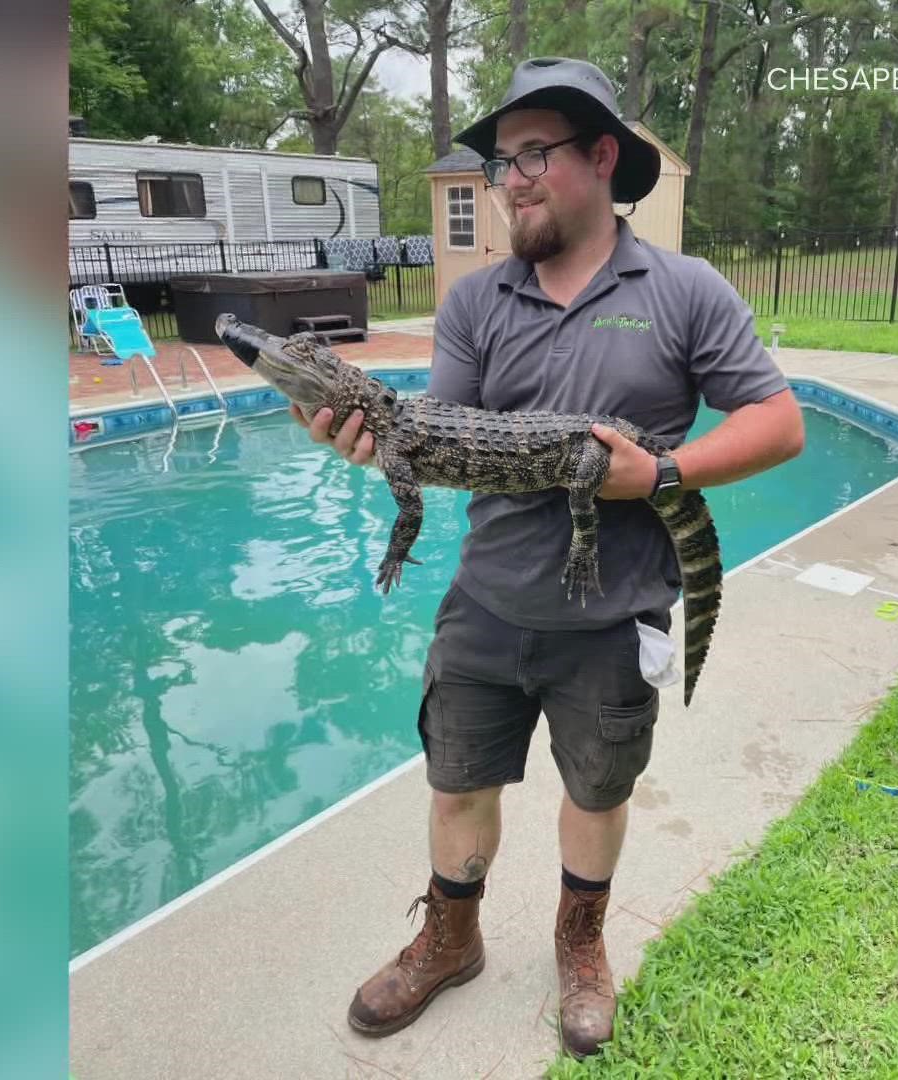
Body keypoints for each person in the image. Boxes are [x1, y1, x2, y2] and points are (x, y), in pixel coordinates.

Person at [291, 57, 804, 1059]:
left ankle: (581, 946)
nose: (510, 179)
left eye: (533, 154)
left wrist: (660, 476)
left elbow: (779, 424)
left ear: (602, 156)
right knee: (457, 786)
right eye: (500, 164)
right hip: (487, 604)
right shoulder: (479, 301)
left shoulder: (686, 291)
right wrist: (372, 438)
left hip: (614, 614)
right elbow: (444, 432)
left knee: (597, 792)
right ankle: (450, 937)